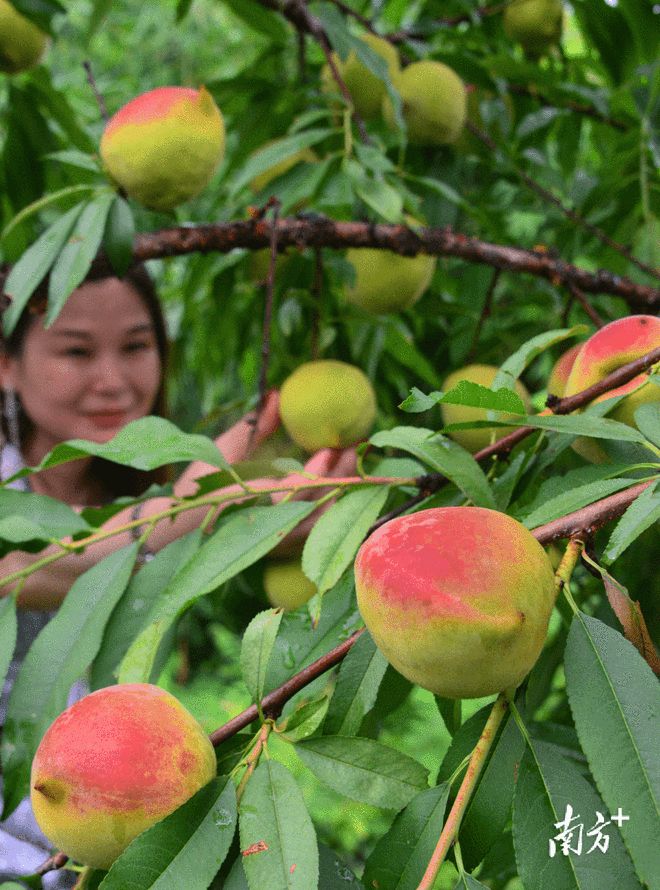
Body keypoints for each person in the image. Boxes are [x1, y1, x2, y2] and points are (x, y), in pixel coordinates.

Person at [0, 265, 356, 887]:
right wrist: (211, 511)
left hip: (88, 850)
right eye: (76, 351)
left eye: (136, 347)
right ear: (7, 365)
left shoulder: (137, 496)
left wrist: (309, 518)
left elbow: (138, 561)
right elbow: (52, 560)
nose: (112, 380)